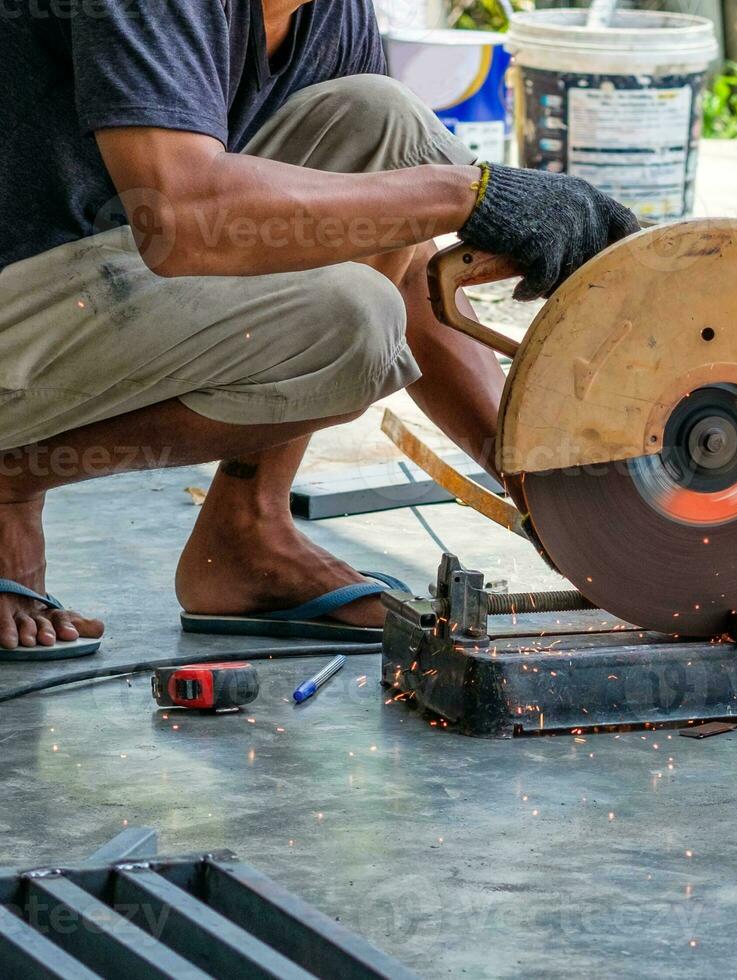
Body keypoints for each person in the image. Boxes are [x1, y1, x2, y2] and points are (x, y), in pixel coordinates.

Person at [0, 0, 639, 653]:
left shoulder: (327, 14)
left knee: (381, 120)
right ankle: (8, 483)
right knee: (353, 316)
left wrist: (547, 487)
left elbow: (408, 261)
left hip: (87, 284)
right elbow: (182, 219)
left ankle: (246, 533)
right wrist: (471, 196)